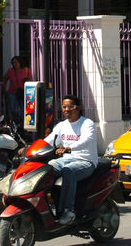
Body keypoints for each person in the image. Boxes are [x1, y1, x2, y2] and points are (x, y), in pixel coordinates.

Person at [43, 94, 98, 225]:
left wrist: (69, 148)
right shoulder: (61, 125)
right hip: (66, 159)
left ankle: (68, 211)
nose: (66, 110)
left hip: (85, 161)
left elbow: (87, 140)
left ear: (78, 108)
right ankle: (48, 204)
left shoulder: (87, 123)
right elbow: (49, 140)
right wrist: (30, 149)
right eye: (64, 107)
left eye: (70, 107)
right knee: (46, 169)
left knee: (69, 171)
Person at [3, 56, 31, 122]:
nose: (15, 64)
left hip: (23, 92)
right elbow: (5, 79)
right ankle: (17, 119)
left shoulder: (26, 70)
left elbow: (29, 80)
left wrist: (26, 80)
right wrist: (4, 89)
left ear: (20, 62)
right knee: (13, 109)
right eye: (13, 62)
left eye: (16, 62)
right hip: (12, 92)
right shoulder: (10, 71)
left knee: (23, 108)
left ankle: (22, 122)